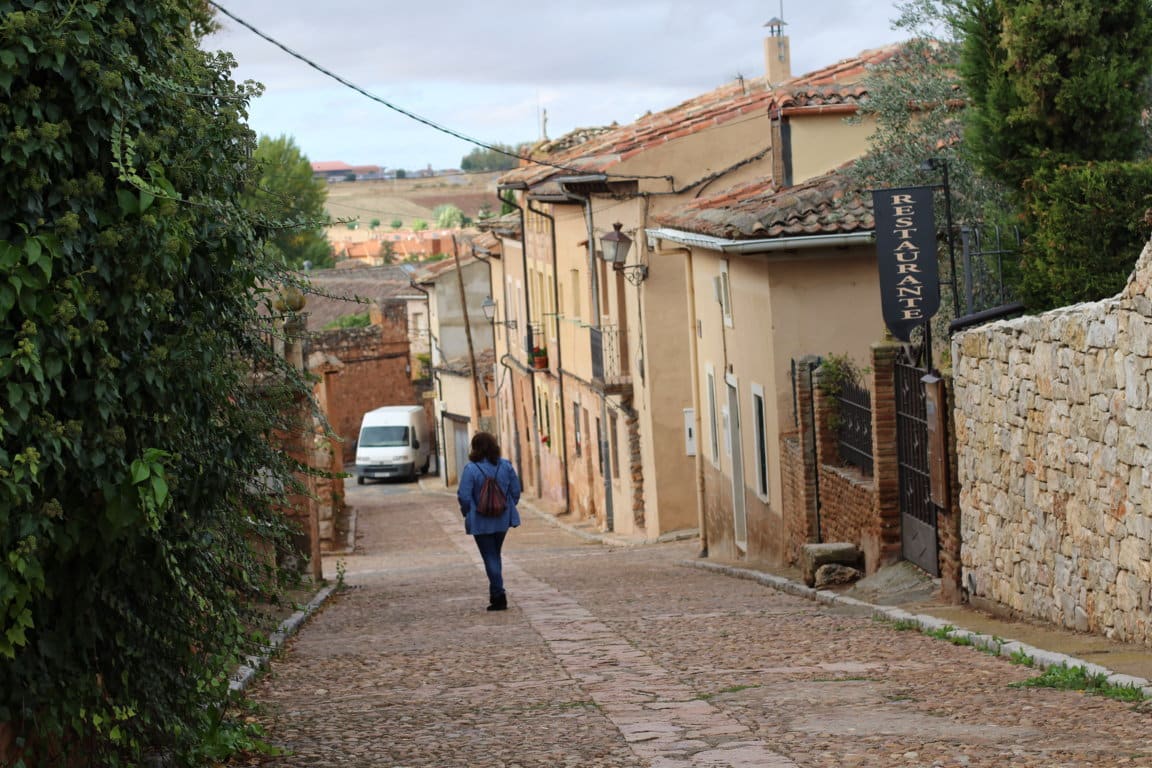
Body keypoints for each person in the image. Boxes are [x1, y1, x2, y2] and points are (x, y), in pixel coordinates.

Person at [457, 431, 522, 611]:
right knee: (495, 553)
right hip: (502, 519)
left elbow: (464, 495)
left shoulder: (471, 469)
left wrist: (467, 512)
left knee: (489, 555)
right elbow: (516, 491)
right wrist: (507, 506)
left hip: (480, 520)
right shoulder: (506, 466)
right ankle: (496, 592)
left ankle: (498, 595)